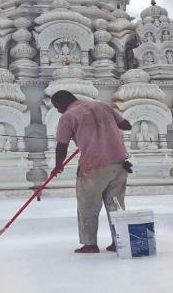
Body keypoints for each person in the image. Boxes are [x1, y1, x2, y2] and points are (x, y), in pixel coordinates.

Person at [51, 90, 132, 254]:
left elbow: (62, 145)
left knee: (88, 206)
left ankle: (90, 244)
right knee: (115, 205)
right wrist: (105, 128)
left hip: (93, 166)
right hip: (119, 163)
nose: (58, 110)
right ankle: (119, 242)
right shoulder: (102, 106)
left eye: (57, 107)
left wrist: (58, 166)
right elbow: (126, 125)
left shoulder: (68, 116)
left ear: (63, 102)